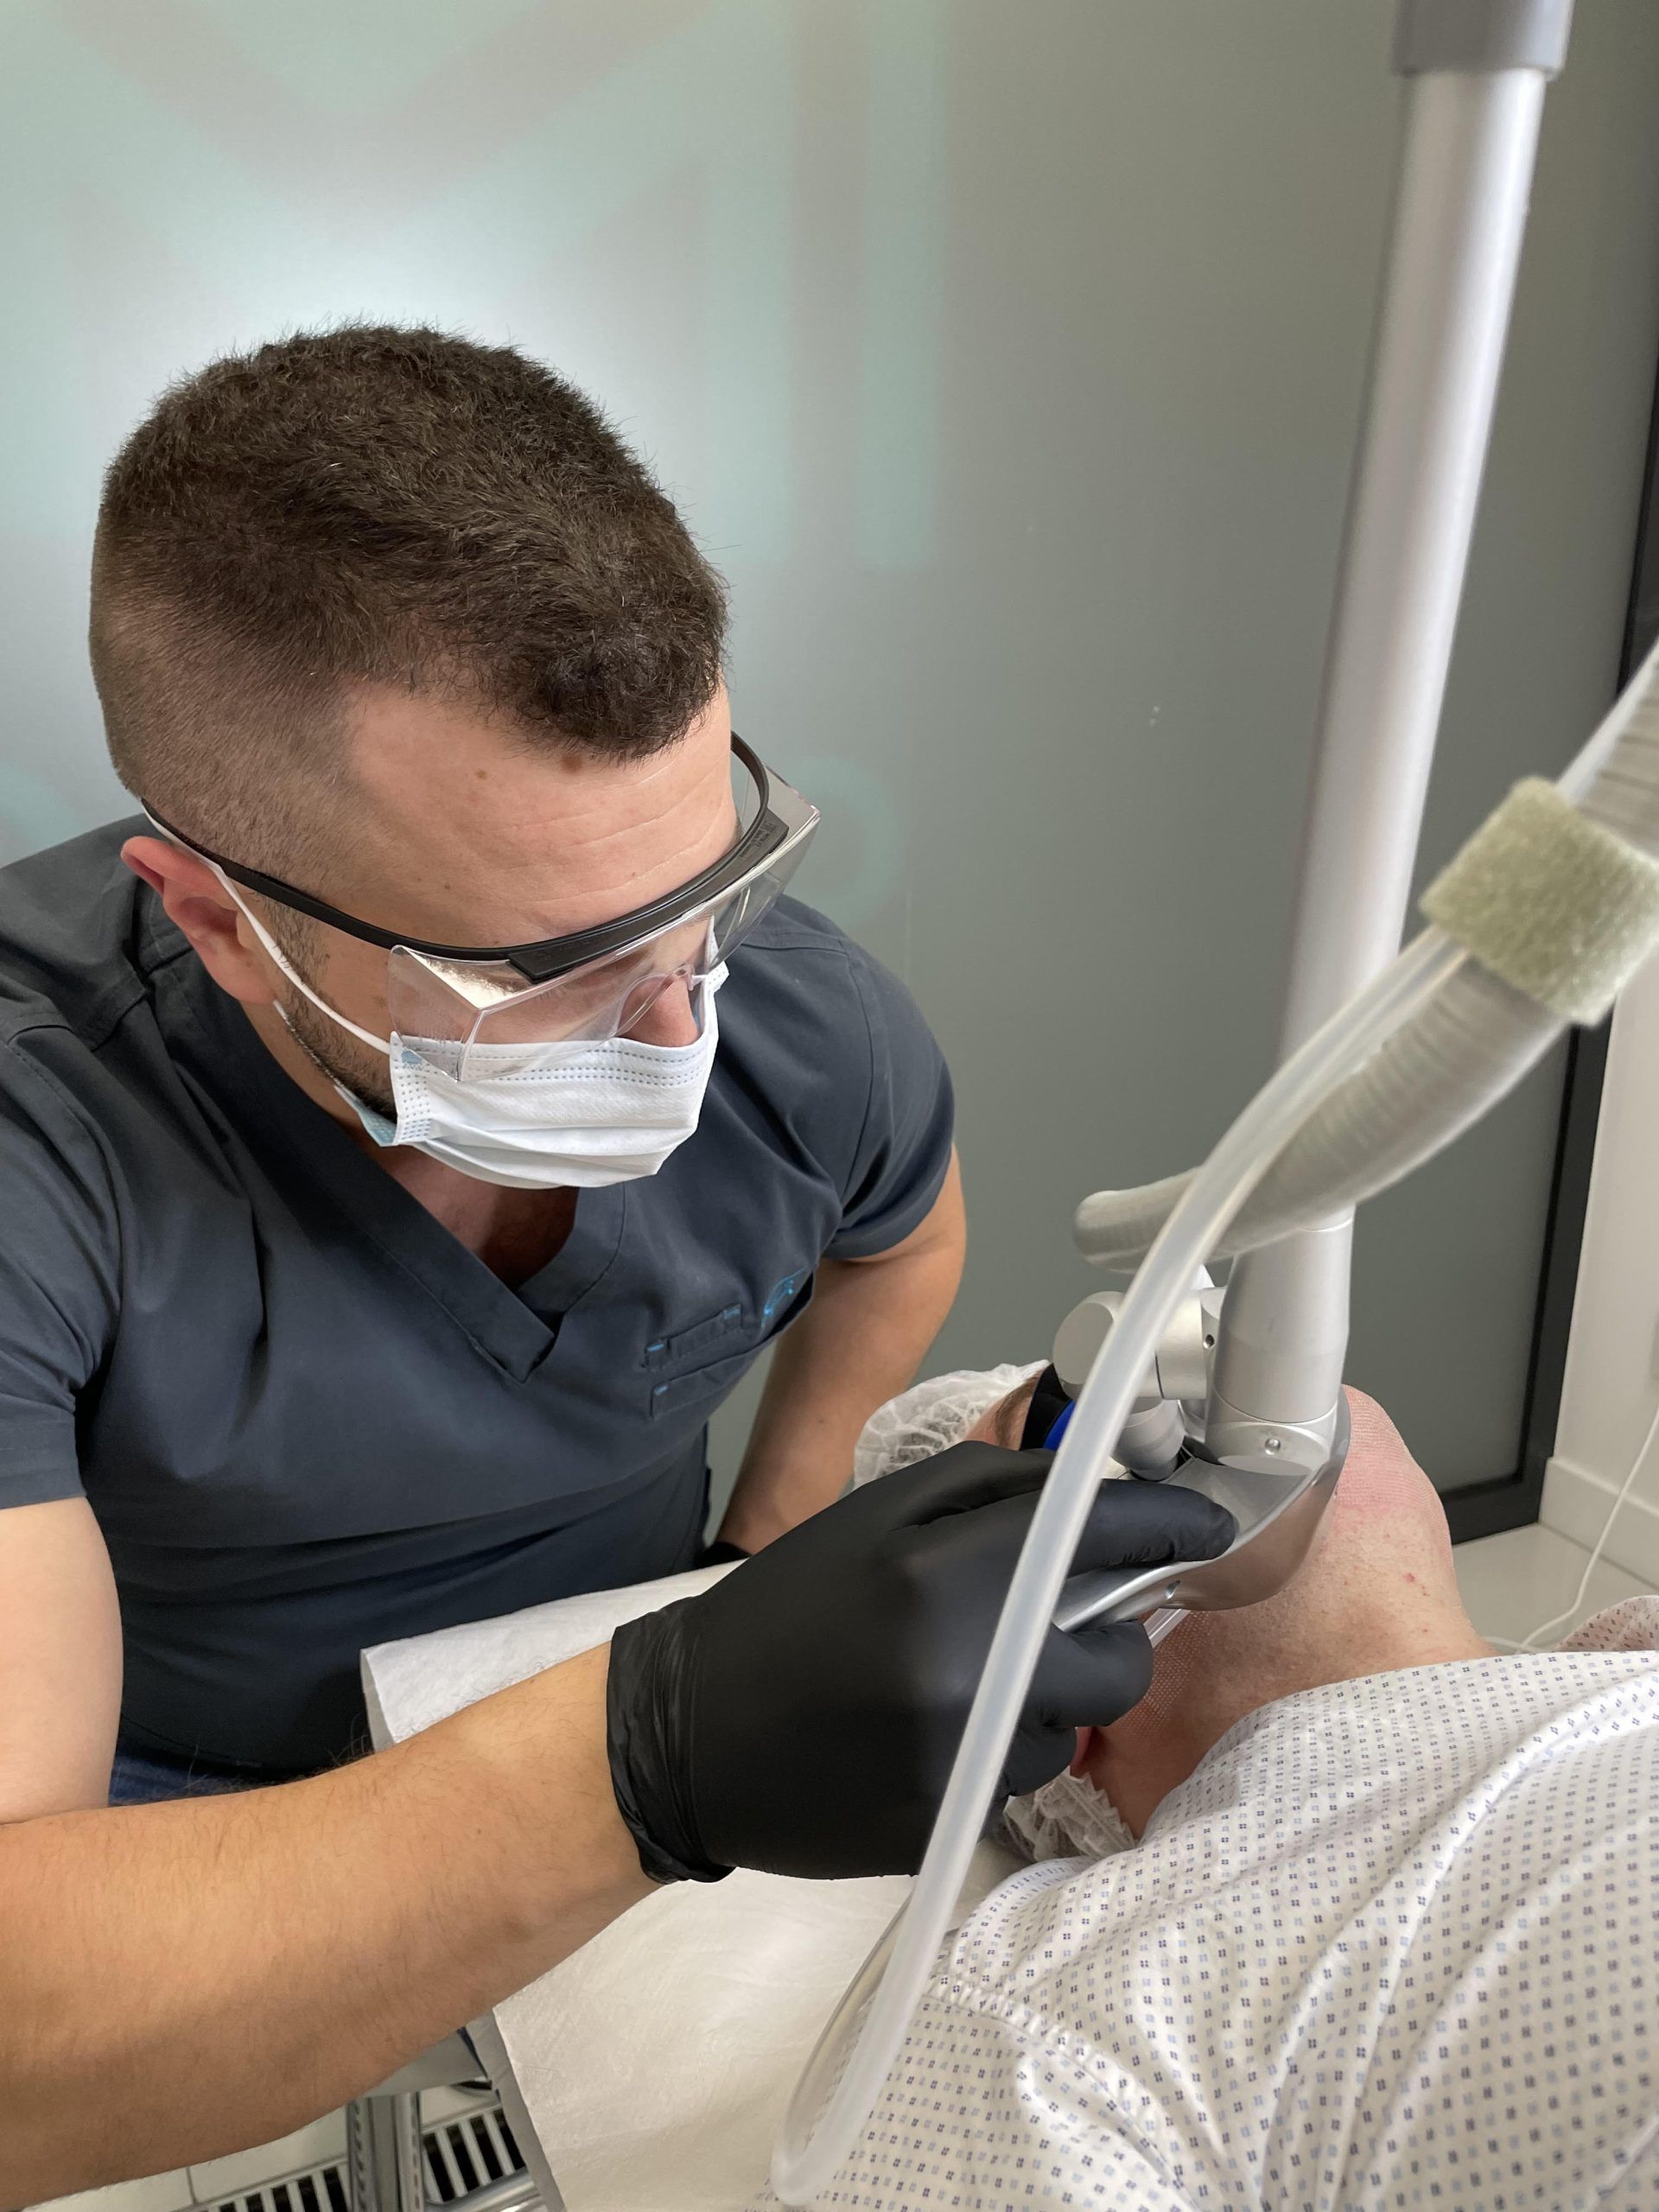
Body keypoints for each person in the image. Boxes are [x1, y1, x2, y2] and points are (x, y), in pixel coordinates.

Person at [0, 321, 975, 1814]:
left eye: (706, 898)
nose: (681, 1029)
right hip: (190, 1802)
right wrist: (643, 1767)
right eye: (548, 971)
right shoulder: (42, 1151)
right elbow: (36, 1916)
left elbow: (901, 1246)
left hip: (634, 1679)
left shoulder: (803, 1026)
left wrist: (747, 1579)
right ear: (222, 923)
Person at [748, 1381, 1659, 2210]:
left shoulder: (1629, 1651)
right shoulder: (1065, 2021)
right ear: (1053, 1700)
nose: (1203, 1379)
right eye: (1063, 1422)